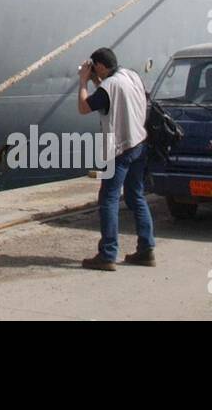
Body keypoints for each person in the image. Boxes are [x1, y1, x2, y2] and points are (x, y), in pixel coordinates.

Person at [77, 46, 156, 270]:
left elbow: (84, 107)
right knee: (136, 197)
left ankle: (108, 254)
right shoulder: (131, 75)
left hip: (120, 149)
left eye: (94, 68)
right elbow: (111, 100)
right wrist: (96, 80)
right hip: (139, 144)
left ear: (100, 66)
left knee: (108, 200)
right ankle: (146, 250)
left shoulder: (109, 85)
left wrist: (83, 81)